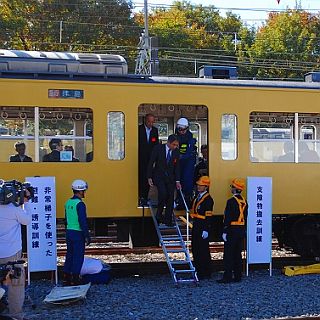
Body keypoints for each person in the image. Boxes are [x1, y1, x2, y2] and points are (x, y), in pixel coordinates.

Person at [0, 183, 31, 320]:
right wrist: (26, 204)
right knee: (16, 284)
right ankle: (16, 315)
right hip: (12, 253)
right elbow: (27, 221)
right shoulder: (14, 209)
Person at [217, 178, 248, 284]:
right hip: (241, 230)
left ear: (235, 189)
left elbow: (228, 217)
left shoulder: (231, 201)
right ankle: (238, 276)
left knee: (228, 254)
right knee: (237, 254)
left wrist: (225, 230)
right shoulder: (244, 201)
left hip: (232, 230)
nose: (231, 188)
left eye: (232, 187)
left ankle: (227, 277)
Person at [147, 134, 181, 226]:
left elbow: (177, 167)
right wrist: (149, 177)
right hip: (159, 176)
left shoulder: (176, 152)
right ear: (169, 143)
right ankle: (159, 214)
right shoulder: (158, 148)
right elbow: (151, 162)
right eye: (174, 144)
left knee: (170, 197)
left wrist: (178, 180)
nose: (175, 146)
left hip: (170, 178)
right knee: (163, 193)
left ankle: (168, 220)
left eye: (176, 145)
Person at [63, 179, 91, 286]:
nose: (84, 193)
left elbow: (66, 220)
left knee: (69, 254)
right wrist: (87, 236)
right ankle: (75, 278)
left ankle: (66, 277)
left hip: (69, 232)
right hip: (78, 233)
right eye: (84, 191)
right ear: (80, 191)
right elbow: (82, 221)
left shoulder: (68, 203)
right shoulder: (80, 204)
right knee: (78, 256)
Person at [190, 176, 214, 280]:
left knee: (203, 250)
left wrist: (206, 229)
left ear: (206, 187)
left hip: (202, 226)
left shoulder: (208, 200)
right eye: (198, 185)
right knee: (196, 249)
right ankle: (199, 270)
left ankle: (206, 272)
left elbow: (208, 216)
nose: (198, 187)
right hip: (196, 226)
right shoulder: (197, 197)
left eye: (201, 185)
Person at [175, 117, 197, 208]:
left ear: (187, 128)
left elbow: (189, 151)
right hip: (179, 163)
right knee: (178, 181)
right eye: (180, 129)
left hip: (188, 162)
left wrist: (182, 157)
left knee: (187, 182)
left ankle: (187, 201)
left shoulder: (190, 139)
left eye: (183, 129)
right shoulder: (175, 137)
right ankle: (180, 201)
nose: (181, 131)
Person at [138, 114, 159, 205]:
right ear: (145, 121)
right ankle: (140, 196)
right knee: (140, 177)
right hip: (140, 157)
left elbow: (156, 145)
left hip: (150, 159)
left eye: (152, 121)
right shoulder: (138, 129)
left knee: (148, 177)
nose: (151, 123)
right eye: (149, 121)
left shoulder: (155, 131)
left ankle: (145, 197)